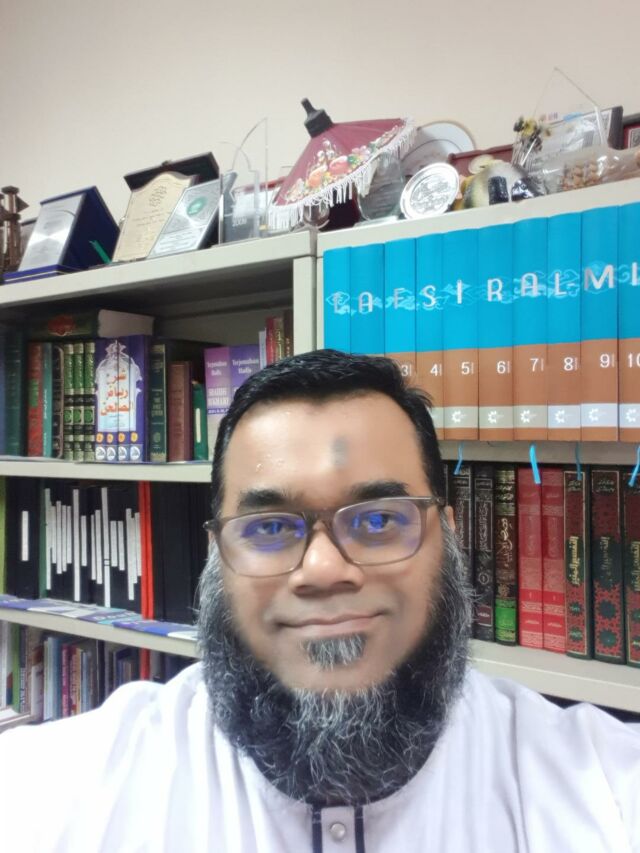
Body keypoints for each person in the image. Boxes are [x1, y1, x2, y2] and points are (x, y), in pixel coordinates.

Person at [0, 349, 639, 853]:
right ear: (216, 555)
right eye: (269, 528)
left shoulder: (603, 790)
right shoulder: (58, 791)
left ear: (447, 537)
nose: (324, 570)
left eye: (379, 519)